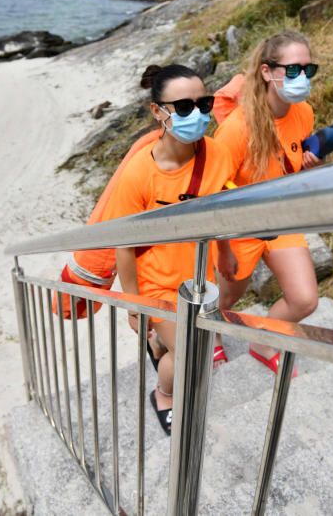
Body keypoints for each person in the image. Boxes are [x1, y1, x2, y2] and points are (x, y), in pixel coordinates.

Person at [102, 63, 238, 435]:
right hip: (157, 285)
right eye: (182, 107)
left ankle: (162, 342)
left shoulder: (217, 153)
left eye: (203, 104)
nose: (195, 115)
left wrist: (225, 251)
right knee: (191, 352)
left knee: (190, 339)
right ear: (157, 112)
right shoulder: (138, 175)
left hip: (198, 275)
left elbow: (220, 207)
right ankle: (163, 394)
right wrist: (134, 306)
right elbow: (124, 247)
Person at [213, 30, 323, 375]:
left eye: (308, 70)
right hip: (239, 227)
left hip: (280, 221)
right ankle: (205, 334)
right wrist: (225, 248)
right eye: (292, 70)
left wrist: (308, 165)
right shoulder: (237, 128)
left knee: (304, 300)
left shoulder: (304, 112)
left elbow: (292, 158)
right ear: (266, 71)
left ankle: (263, 342)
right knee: (223, 298)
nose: (301, 78)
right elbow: (214, 190)